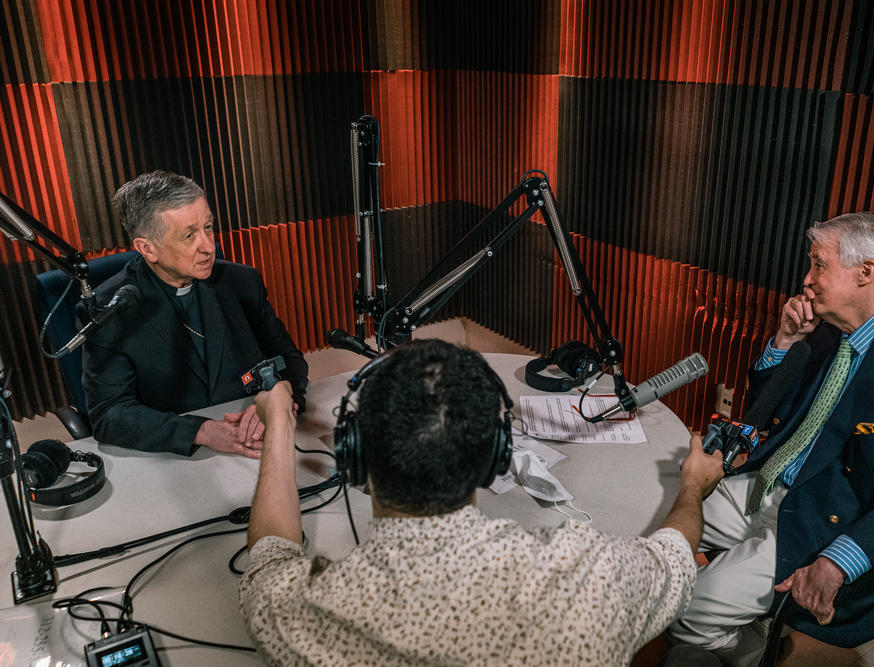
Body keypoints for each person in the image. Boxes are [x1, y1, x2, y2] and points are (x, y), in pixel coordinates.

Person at [240, 340, 725, 666]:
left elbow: (269, 555)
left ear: (355, 455)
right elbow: (674, 556)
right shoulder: (591, 579)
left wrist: (279, 422)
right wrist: (691, 486)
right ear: (495, 455)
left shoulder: (306, 614)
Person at [668, 213, 874, 665]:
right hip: (765, 487)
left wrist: (841, 559)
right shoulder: (828, 336)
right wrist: (785, 341)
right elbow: (768, 411)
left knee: (684, 612)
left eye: (818, 265)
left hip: (825, 522)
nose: (807, 280)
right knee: (658, 526)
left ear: (865, 272)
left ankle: (766, 655)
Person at [80, 171, 308, 456]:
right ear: (147, 248)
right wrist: (201, 431)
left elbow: (289, 359)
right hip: (176, 458)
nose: (208, 246)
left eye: (209, 227)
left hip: (256, 441)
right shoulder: (109, 309)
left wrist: (279, 396)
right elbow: (110, 414)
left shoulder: (242, 282)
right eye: (189, 235)